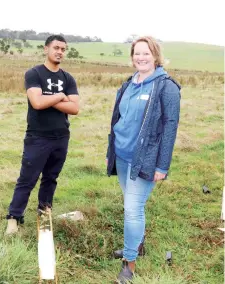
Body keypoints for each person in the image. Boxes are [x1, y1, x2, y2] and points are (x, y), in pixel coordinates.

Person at [106, 36, 181, 283]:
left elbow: (170, 127)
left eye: (146, 53)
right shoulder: (129, 83)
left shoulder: (166, 86)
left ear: (155, 56)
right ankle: (137, 245)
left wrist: (162, 166)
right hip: (124, 156)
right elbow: (121, 118)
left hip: (145, 160)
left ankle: (129, 263)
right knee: (133, 207)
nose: (140, 57)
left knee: (132, 210)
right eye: (137, 53)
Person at [5, 35, 79, 235]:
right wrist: (61, 96)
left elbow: (75, 108)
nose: (60, 52)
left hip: (61, 136)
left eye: (63, 49)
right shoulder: (34, 73)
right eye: (56, 48)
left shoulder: (67, 78)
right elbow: (36, 104)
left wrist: (47, 99)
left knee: (51, 178)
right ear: (46, 49)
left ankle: (44, 212)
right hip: (38, 136)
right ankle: (14, 217)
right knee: (27, 178)